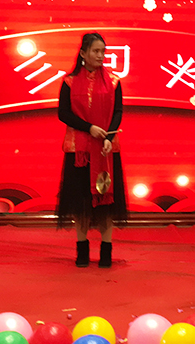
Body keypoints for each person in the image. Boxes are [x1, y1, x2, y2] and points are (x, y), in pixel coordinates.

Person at [56, 32, 127, 268]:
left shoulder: (114, 82)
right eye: (95, 51)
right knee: (81, 203)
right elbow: (63, 113)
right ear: (83, 54)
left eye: (103, 51)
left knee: (106, 200)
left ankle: (106, 251)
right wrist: (89, 128)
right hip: (79, 151)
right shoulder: (68, 82)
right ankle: (82, 250)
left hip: (106, 149)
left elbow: (118, 111)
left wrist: (109, 136)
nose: (100, 55)